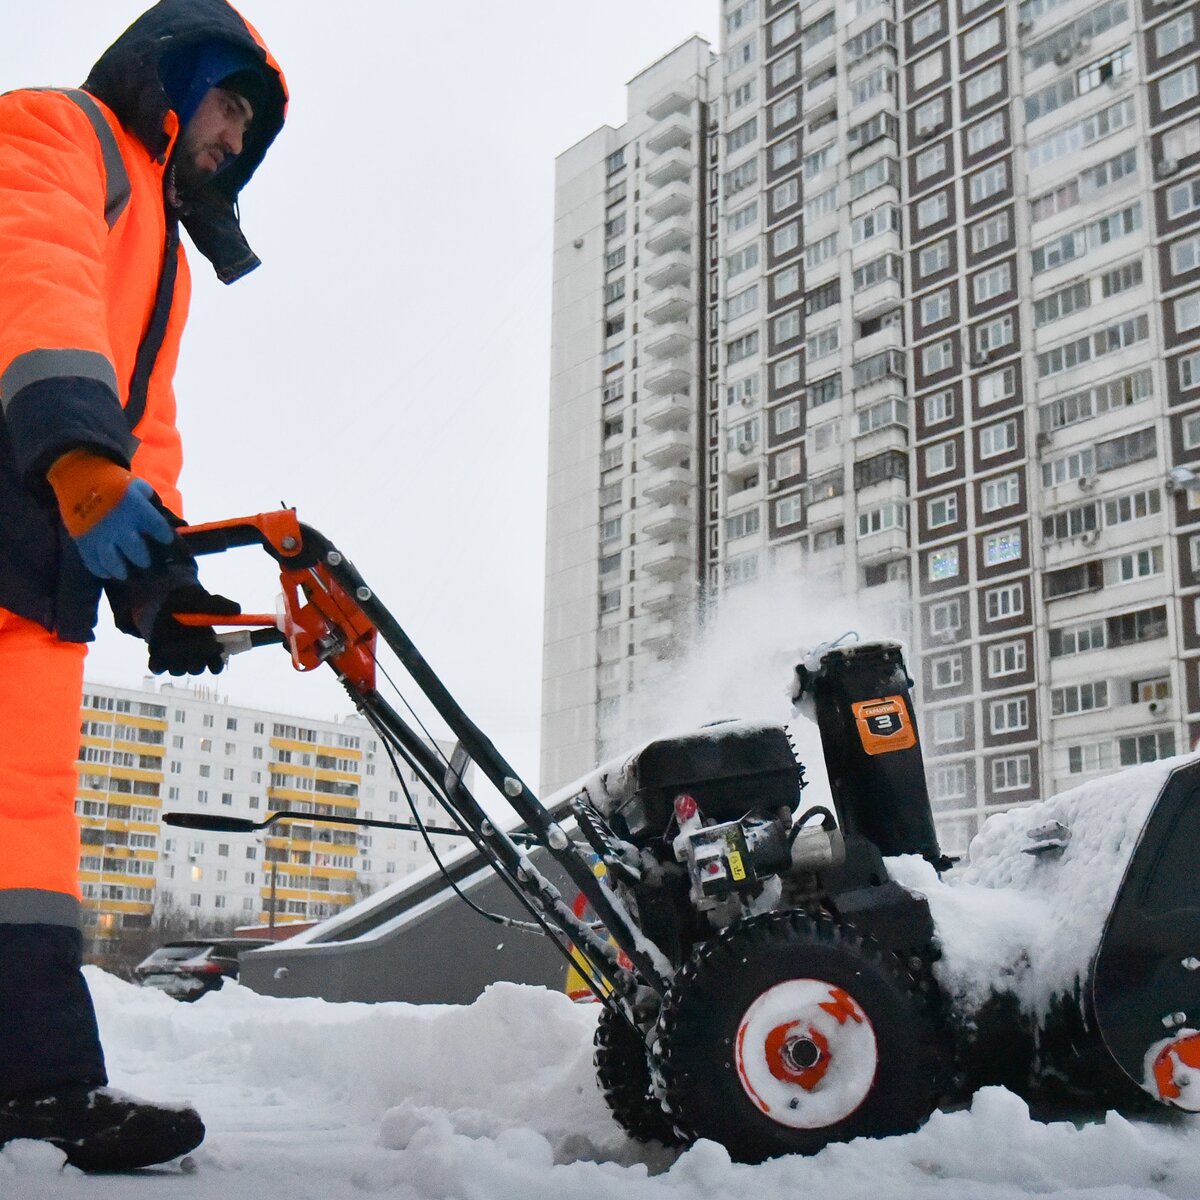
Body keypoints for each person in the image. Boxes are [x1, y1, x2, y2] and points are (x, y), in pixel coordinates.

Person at [0, 0, 287, 1171]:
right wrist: (75, 454)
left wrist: (163, 589)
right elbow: (33, 279)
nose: (233, 140)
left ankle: (40, 1094)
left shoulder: (160, 257)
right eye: (231, 109)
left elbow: (145, 433)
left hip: (35, 577)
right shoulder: (54, 134)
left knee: (24, 845)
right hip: (25, 506)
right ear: (182, 76)